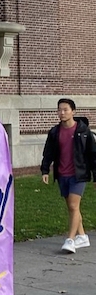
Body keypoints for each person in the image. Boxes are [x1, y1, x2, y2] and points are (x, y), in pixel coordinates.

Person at [41, 98, 96, 253]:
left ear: (73, 111)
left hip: (79, 174)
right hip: (62, 174)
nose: (62, 113)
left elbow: (93, 154)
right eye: (59, 110)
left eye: (65, 109)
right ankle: (83, 236)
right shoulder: (55, 132)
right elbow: (48, 152)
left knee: (73, 206)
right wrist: (45, 170)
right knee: (72, 208)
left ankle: (70, 240)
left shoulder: (83, 131)